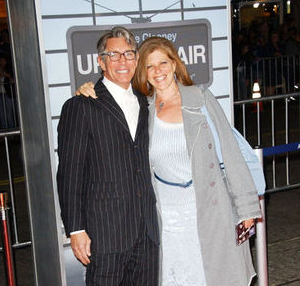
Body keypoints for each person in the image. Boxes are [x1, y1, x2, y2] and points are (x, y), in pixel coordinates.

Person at [78, 36, 262, 285]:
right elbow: (112, 97)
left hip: (208, 209)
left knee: (214, 277)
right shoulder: (144, 108)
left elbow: (231, 154)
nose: (158, 71)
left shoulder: (200, 99)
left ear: (175, 64)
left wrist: (247, 209)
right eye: (150, 66)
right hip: (165, 219)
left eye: (163, 63)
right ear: (143, 72)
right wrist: (88, 90)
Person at [57, 27, 160, 285]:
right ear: (100, 61)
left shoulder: (148, 102)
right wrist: (76, 229)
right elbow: (70, 174)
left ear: (137, 59)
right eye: (113, 55)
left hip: (147, 231)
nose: (122, 61)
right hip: (106, 233)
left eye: (128, 54)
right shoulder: (81, 106)